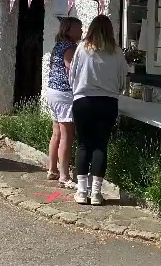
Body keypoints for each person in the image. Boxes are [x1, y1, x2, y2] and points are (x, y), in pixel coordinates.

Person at [68, 14, 127, 205]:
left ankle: (81, 191)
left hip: (84, 100)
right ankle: (96, 193)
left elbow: (72, 75)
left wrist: (78, 90)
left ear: (91, 29)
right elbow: (123, 81)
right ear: (110, 31)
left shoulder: (82, 49)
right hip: (108, 102)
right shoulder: (117, 52)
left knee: (84, 144)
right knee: (101, 145)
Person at [46, 16, 82, 188]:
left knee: (57, 133)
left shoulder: (58, 45)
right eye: (79, 28)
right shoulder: (70, 47)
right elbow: (71, 70)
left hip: (53, 91)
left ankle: (52, 169)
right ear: (69, 30)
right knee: (68, 135)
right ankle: (64, 176)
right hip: (64, 94)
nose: (82, 31)